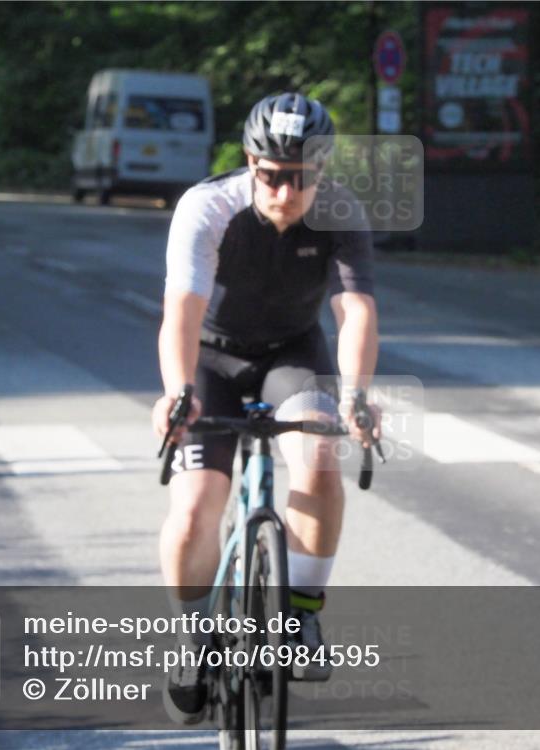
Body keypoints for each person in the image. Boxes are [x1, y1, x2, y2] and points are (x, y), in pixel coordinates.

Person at [152, 92, 381, 724]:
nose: (285, 191)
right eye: (271, 175)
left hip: (290, 353)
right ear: (250, 164)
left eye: (301, 178)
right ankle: (196, 633)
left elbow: (354, 311)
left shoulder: (338, 213)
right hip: (212, 358)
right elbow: (181, 316)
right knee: (197, 507)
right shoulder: (207, 208)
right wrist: (179, 392)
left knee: (318, 460)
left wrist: (358, 392)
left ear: (322, 172)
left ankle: (300, 614)